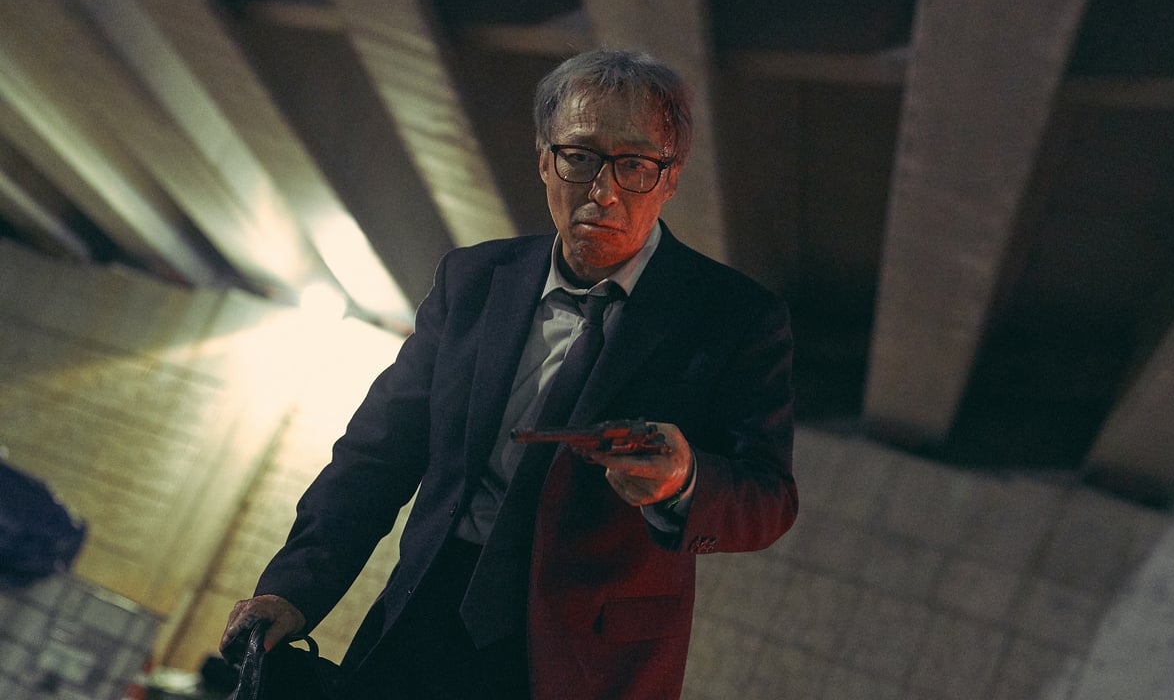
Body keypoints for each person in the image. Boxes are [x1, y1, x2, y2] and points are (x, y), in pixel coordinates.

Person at [221, 48, 798, 699]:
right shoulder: (472, 280)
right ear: (544, 159)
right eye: (579, 157)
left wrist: (685, 480)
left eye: (635, 165)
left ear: (670, 179)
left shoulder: (734, 318)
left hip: (585, 661)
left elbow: (770, 499)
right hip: (422, 619)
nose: (603, 191)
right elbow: (377, 454)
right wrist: (293, 589)